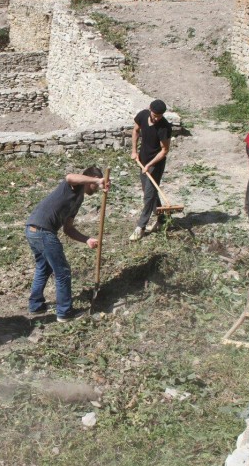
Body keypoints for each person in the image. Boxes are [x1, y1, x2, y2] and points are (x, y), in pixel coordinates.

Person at [25, 167, 110, 322]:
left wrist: (86, 240)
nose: (97, 188)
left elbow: (68, 229)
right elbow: (70, 177)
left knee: (44, 267)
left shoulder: (79, 199)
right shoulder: (73, 186)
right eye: (95, 184)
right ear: (90, 178)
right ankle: (64, 312)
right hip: (42, 231)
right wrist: (98, 180)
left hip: (35, 231)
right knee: (62, 271)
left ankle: (35, 305)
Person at [129, 99, 173, 241]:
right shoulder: (142, 115)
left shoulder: (164, 128)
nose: (156, 118)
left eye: (159, 116)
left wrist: (150, 165)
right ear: (150, 110)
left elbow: (164, 150)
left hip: (156, 163)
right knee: (148, 191)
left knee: (148, 195)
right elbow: (135, 130)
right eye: (154, 115)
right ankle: (161, 220)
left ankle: (140, 227)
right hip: (142, 159)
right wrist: (134, 151)